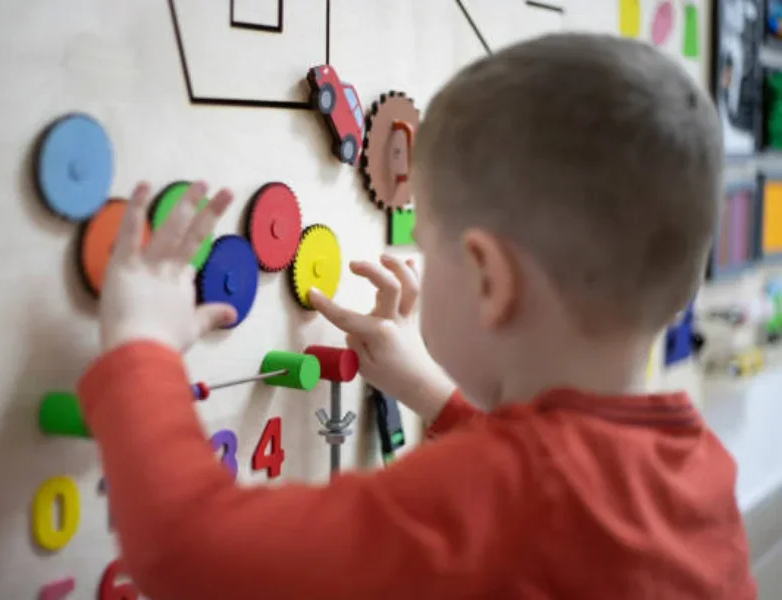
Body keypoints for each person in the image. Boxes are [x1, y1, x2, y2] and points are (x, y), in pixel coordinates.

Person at [79, 33, 755, 599]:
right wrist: (434, 396)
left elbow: (187, 551)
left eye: (425, 245)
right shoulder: (697, 468)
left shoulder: (490, 501)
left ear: (489, 278)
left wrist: (141, 344)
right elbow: (560, 490)